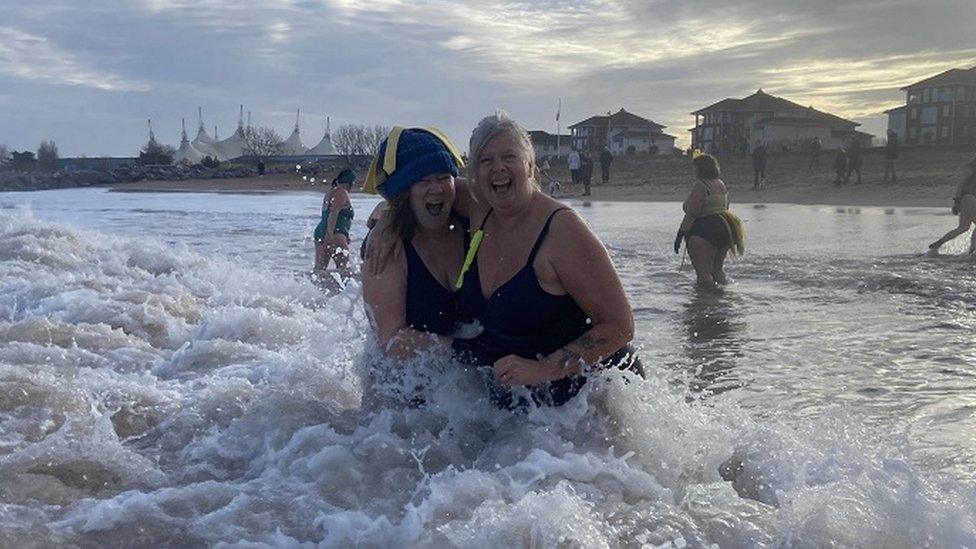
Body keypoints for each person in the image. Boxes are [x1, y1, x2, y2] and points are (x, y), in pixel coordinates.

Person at [453, 112, 643, 409]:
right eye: (486, 160)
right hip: (530, 410)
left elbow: (620, 325)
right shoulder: (480, 208)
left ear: (530, 166)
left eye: (509, 157)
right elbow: (426, 191)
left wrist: (543, 370)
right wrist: (386, 221)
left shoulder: (562, 230)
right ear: (475, 173)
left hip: (593, 405)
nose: (498, 168)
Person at [361, 127, 468, 358]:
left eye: (443, 178)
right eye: (423, 180)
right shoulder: (386, 247)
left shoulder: (472, 224)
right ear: (404, 192)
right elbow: (389, 339)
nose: (437, 188)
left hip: (464, 385)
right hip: (401, 387)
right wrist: (464, 350)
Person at [674, 152, 745, 290]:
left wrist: (680, 234)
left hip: (704, 232)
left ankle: (703, 306)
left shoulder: (701, 186)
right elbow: (725, 207)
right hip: (725, 229)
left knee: (703, 274)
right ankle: (721, 302)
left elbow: (692, 213)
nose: (694, 171)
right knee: (717, 271)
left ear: (700, 169)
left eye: (695, 168)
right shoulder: (721, 184)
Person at [313, 169, 356, 279]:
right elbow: (334, 213)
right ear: (350, 183)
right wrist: (330, 234)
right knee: (343, 271)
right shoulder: (341, 192)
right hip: (335, 233)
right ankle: (342, 293)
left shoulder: (331, 192)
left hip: (321, 232)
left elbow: (328, 215)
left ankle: (314, 292)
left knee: (319, 271)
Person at [928, 156, 976, 254]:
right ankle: (972, 251)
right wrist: (957, 202)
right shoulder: (972, 165)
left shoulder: (972, 165)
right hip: (969, 198)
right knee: (964, 227)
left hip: (968, 199)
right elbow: (961, 184)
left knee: (963, 228)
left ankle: (939, 243)